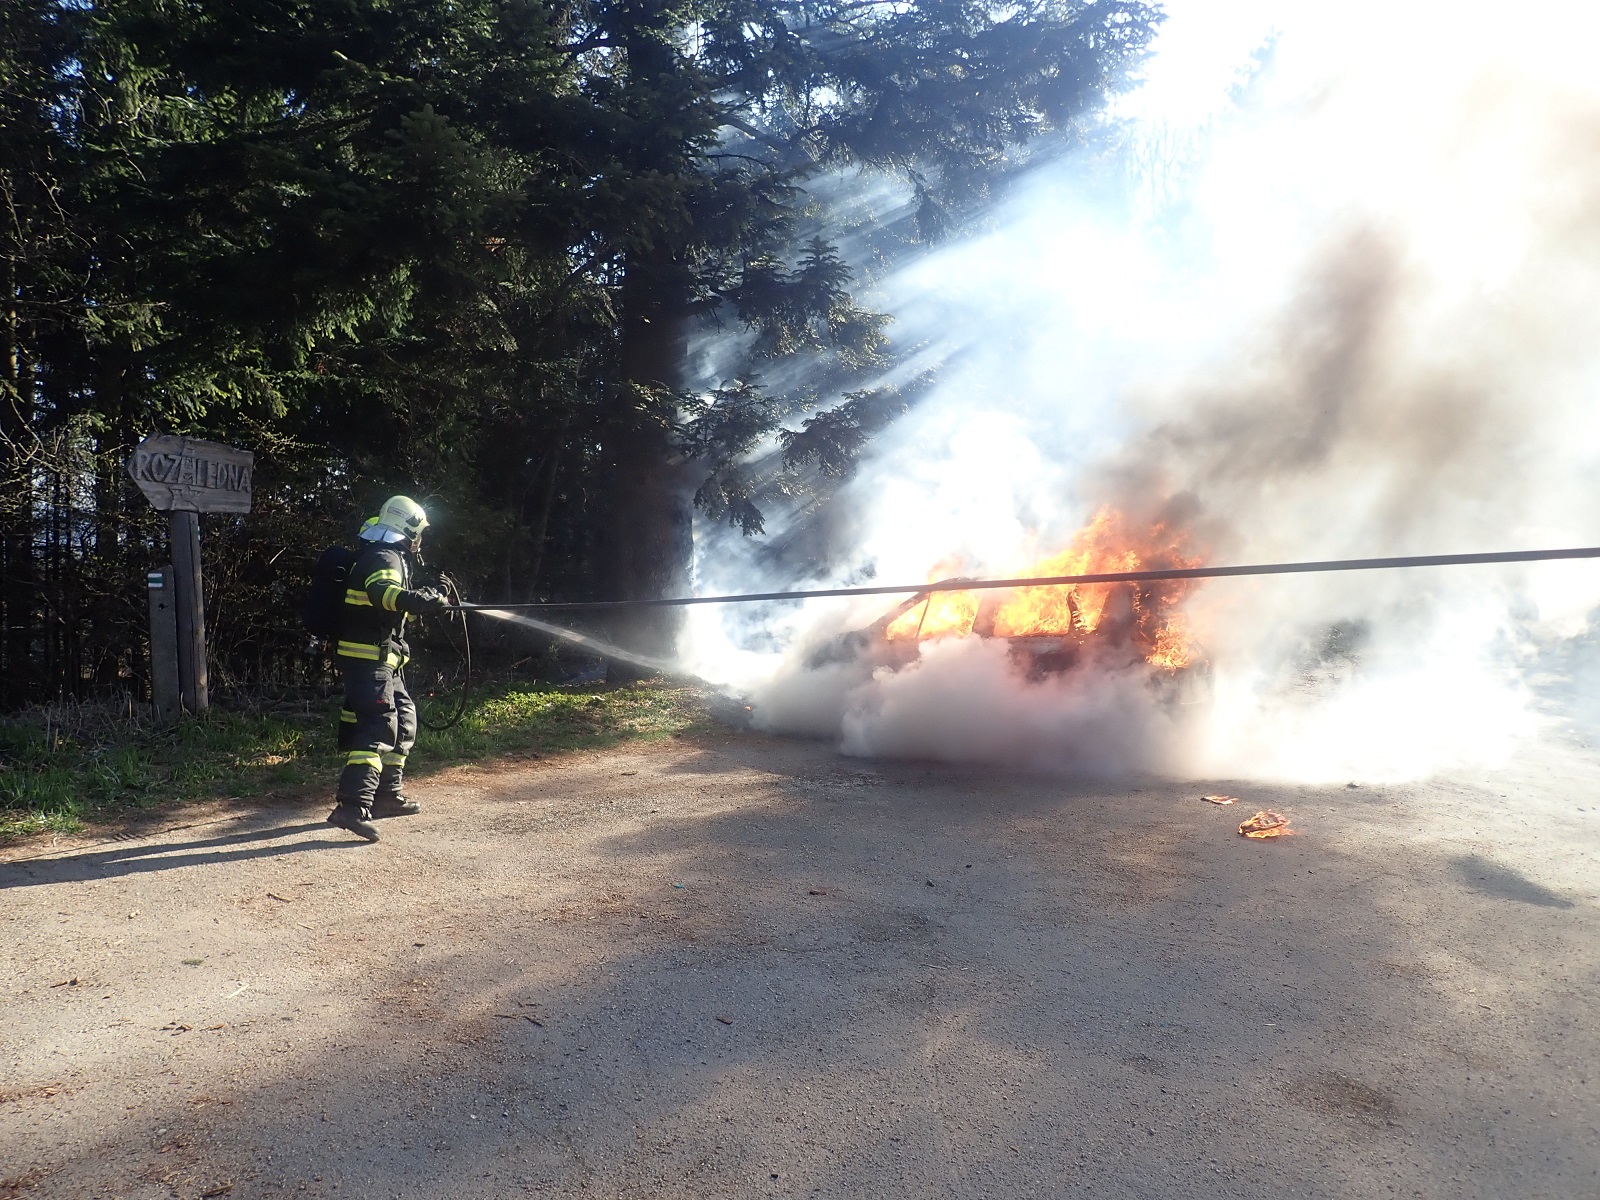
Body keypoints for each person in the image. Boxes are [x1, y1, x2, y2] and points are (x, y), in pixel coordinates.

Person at [327, 495, 451, 842]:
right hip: (368, 660)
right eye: (419, 532)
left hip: (382, 661)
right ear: (407, 528)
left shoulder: (386, 555)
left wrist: (431, 597)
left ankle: (387, 796)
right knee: (377, 725)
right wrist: (426, 599)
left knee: (405, 718)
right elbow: (385, 594)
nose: (420, 539)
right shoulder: (383, 556)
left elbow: (392, 603)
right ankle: (352, 807)